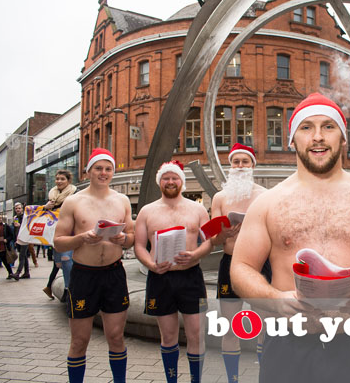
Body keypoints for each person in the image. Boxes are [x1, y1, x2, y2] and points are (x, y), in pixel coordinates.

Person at [230, 93, 350, 383]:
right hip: (288, 343)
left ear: (343, 139)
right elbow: (241, 267)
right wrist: (275, 299)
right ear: (292, 140)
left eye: (328, 127)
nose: (318, 137)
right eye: (306, 128)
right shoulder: (268, 203)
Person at [54, 148, 134, 383]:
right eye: (98, 168)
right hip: (83, 275)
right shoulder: (73, 202)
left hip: (113, 274)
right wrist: (81, 238)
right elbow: (58, 243)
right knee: (79, 341)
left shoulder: (122, 200)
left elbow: (131, 236)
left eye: (108, 168)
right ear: (88, 171)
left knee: (116, 337)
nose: (104, 173)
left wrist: (124, 240)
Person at [134, 160, 211, 383]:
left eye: (174, 178)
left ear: (182, 182)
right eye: (166, 178)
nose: (170, 182)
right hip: (160, 278)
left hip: (191, 278)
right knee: (168, 336)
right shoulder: (147, 211)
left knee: (196, 334)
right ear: (160, 182)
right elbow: (139, 245)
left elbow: (209, 242)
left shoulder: (196, 209)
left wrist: (195, 255)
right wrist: (151, 265)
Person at [210, 143, 270, 382]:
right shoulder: (220, 197)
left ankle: (265, 375)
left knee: (264, 324)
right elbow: (213, 238)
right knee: (229, 325)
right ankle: (232, 378)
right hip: (230, 262)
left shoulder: (265, 196)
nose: (240, 166)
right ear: (230, 166)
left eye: (245, 162)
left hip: (259, 264)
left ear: (253, 165)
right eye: (236, 162)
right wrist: (224, 234)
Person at [43, 169, 78, 301]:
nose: (59, 181)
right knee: (58, 264)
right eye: (57, 179)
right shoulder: (52, 195)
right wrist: (46, 207)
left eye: (62, 179)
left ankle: (68, 291)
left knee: (66, 259)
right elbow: (44, 216)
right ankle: (64, 288)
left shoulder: (75, 194)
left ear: (69, 181)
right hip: (54, 234)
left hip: (70, 233)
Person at [0, 214, 18, 282]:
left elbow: (11, 235)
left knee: (6, 262)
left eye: (0, 218)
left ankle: (10, 273)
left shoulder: (5, 226)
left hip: (3, 247)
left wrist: (7, 240)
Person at [12, 203, 31, 279]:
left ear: (22, 209)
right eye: (16, 208)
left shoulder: (25, 217)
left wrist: (21, 226)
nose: (18, 210)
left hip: (25, 238)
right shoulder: (16, 217)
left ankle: (18, 273)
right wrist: (15, 239)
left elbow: (28, 226)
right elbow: (15, 228)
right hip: (18, 238)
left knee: (22, 256)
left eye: (19, 208)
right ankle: (26, 273)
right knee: (24, 256)